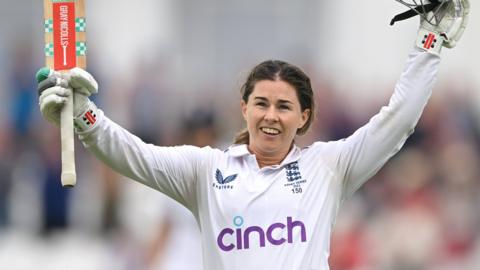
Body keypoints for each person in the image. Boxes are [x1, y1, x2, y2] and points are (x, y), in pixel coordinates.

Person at [36, 2, 469, 269]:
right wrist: (83, 114)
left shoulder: (329, 167)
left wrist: (428, 44)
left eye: (284, 107)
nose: (270, 116)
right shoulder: (207, 169)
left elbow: (397, 122)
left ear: (304, 116)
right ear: (244, 108)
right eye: (261, 103)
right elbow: (133, 154)